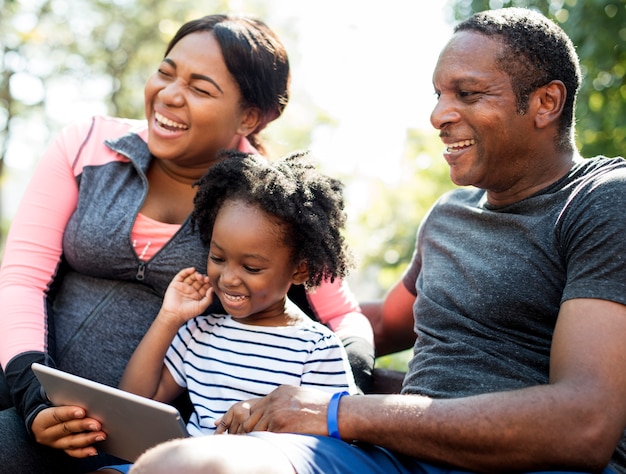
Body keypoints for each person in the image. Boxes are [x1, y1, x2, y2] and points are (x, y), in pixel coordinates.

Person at [128, 7, 626, 474]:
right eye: (438, 95)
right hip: (396, 458)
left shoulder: (601, 200)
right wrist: (249, 309)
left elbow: (585, 421)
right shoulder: (450, 215)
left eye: (468, 94)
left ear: (546, 102)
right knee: (176, 463)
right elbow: (385, 322)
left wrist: (341, 411)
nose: (438, 116)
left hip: (516, 463)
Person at [0, 14, 373, 474]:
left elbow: (342, 316)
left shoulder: (265, 205)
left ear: (249, 116)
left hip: (150, 443)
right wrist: (34, 400)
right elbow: (21, 280)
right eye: (166, 71)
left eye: (201, 88)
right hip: (38, 400)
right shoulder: (87, 146)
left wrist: (334, 388)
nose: (169, 95)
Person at [99, 151, 358, 473]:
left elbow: (336, 442)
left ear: (300, 271)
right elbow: (135, 400)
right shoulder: (199, 331)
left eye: (251, 267)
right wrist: (169, 319)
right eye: (218, 258)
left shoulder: (315, 347)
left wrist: (263, 420)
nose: (229, 277)